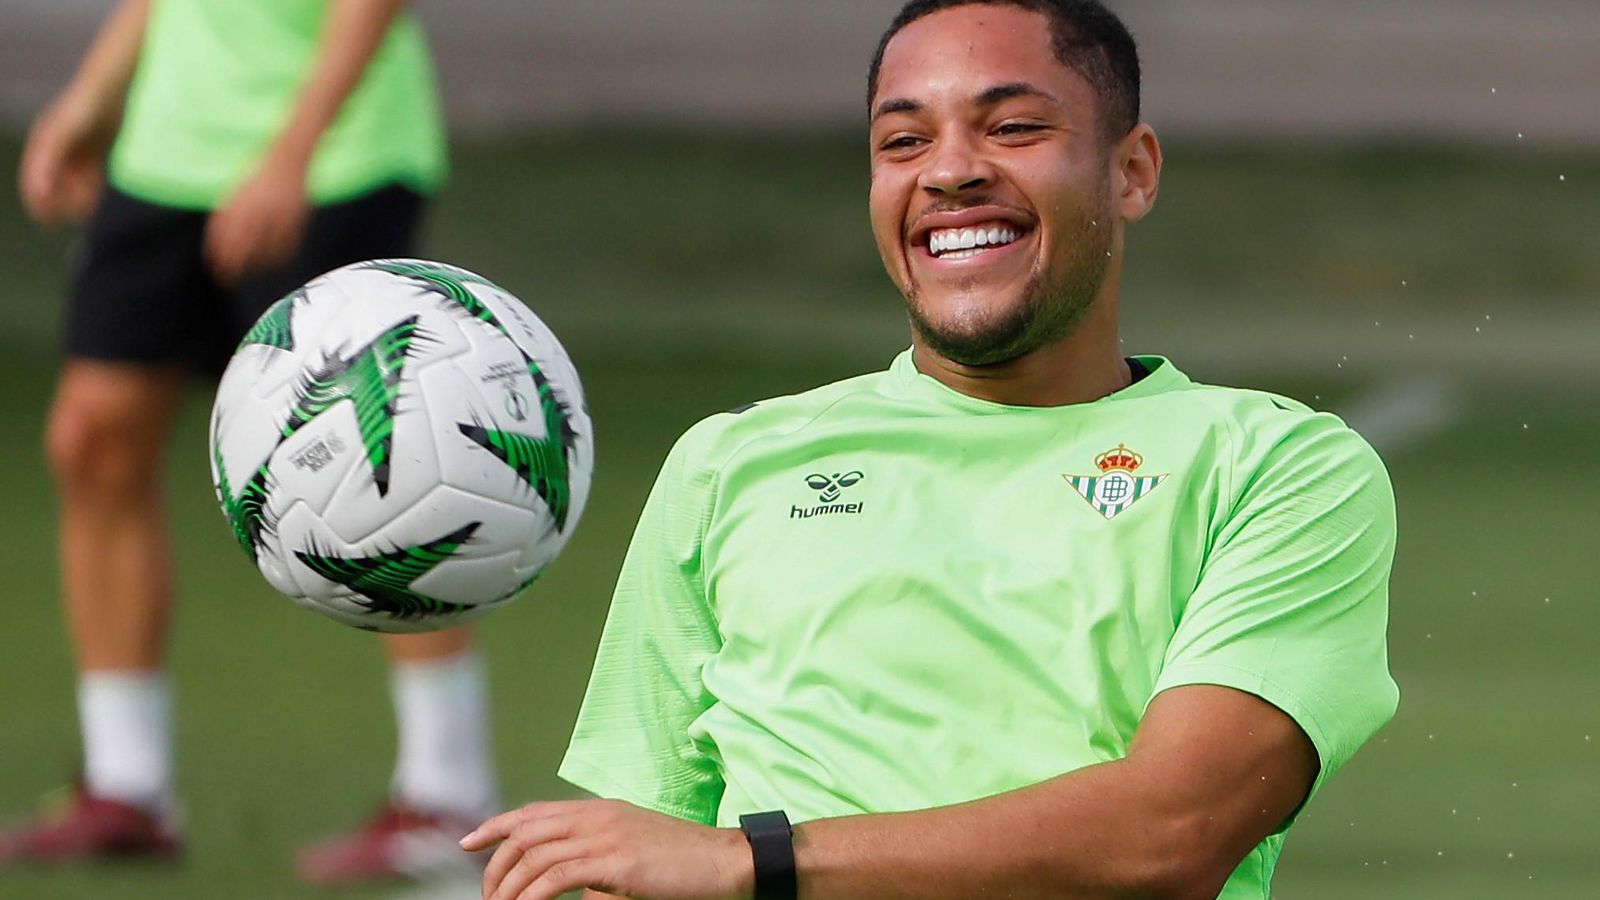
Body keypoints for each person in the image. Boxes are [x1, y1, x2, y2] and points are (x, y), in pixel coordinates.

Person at [462, 0, 1399, 897]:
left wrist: (754, 864)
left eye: (1013, 128)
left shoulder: (1276, 466)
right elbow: (642, 857)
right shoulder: (729, 462)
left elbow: (1173, 833)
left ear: (1132, 172)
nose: (948, 172)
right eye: (903, 142)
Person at [1, 0, 501, 885]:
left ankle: (446, 790)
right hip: (166, 156)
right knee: (91, 436)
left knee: (389, 461)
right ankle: (126, 785)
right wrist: (91, 98)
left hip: (332, 158)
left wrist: (289, 154)